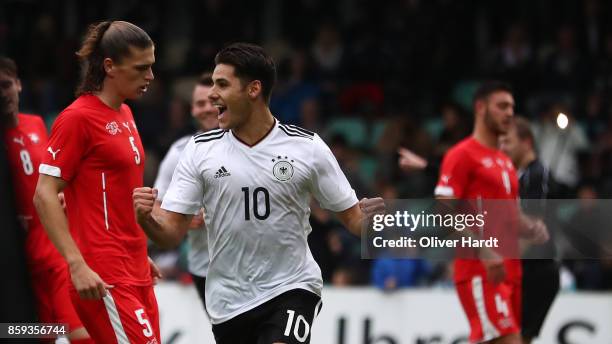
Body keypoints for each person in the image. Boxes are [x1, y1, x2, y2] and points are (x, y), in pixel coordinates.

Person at [133, 42, 384, 344]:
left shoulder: (307, 148)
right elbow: (171, 234)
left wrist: (376, 222)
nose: (212, 94)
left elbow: (354, 219)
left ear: (253, 89)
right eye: (212, 84)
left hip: (292, 286)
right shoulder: (199, 152)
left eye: (222, 84)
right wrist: (145, 218)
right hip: (228, 301)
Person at [33, 21, 161, 343]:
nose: (150, 77)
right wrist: (76, 265)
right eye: (141, 68)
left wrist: (137, 252)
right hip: (104, 277)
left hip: (136, 270)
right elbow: (44, 195)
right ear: (109, 66)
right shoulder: (77, 119)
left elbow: (109, 195)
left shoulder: (126, 115)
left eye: (152, 66)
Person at [434, 81, 548, 344]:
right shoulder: (461, 155)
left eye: (512, 107)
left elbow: (512, 216)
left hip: (510, 273)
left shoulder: (505, 162)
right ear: (480, 108)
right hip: (480, 271)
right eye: (502, 106)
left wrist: (531, 227)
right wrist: (484, 250)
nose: (509, 113)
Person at [1, 56, 92, 343]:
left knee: (82, 334)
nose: (2, 93)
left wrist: (63, 196)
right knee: (29, 334)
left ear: (18, 85)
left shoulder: (37, 124)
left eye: (5, 85)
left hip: (54, 256)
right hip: (19, 268)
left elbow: (56, 177)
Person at [153, 72, 218, 311]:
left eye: (213, 101)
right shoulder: (180, 151)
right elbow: (157, 204)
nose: (208, 109)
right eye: (200, 104)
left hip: (255, 265)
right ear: (192, 110)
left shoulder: (250, 146)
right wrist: (180, 218)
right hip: (204, 267)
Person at [500, 116, 560, 344]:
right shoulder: (515, 176)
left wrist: (504, 264)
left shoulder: (538, 175)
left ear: (527, 142)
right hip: (520, 269)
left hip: (536, 271)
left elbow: (532, 231)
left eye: (508, 141)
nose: (503, 148)